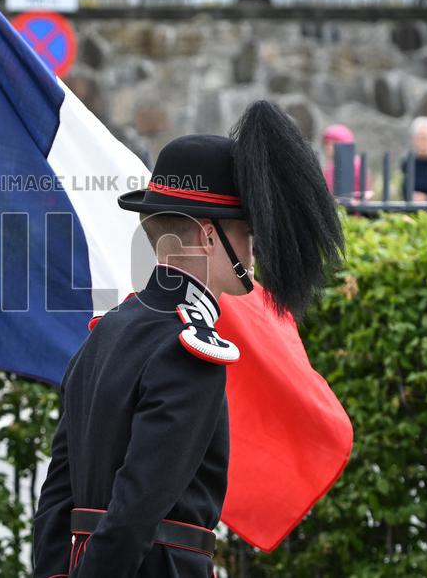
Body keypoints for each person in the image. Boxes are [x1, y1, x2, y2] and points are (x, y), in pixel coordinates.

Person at [33, 101, 344, 578]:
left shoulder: (108, 330)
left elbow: (57, 497)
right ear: (207, 235)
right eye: (245, 231)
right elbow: (136, 510)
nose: (253, 249)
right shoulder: (188, 351)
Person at [321, 123, 371, 199]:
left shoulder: (357, 164)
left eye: (333, 144)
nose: (328, 148)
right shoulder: (331, 166)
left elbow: (365, 192)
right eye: (326, 144)